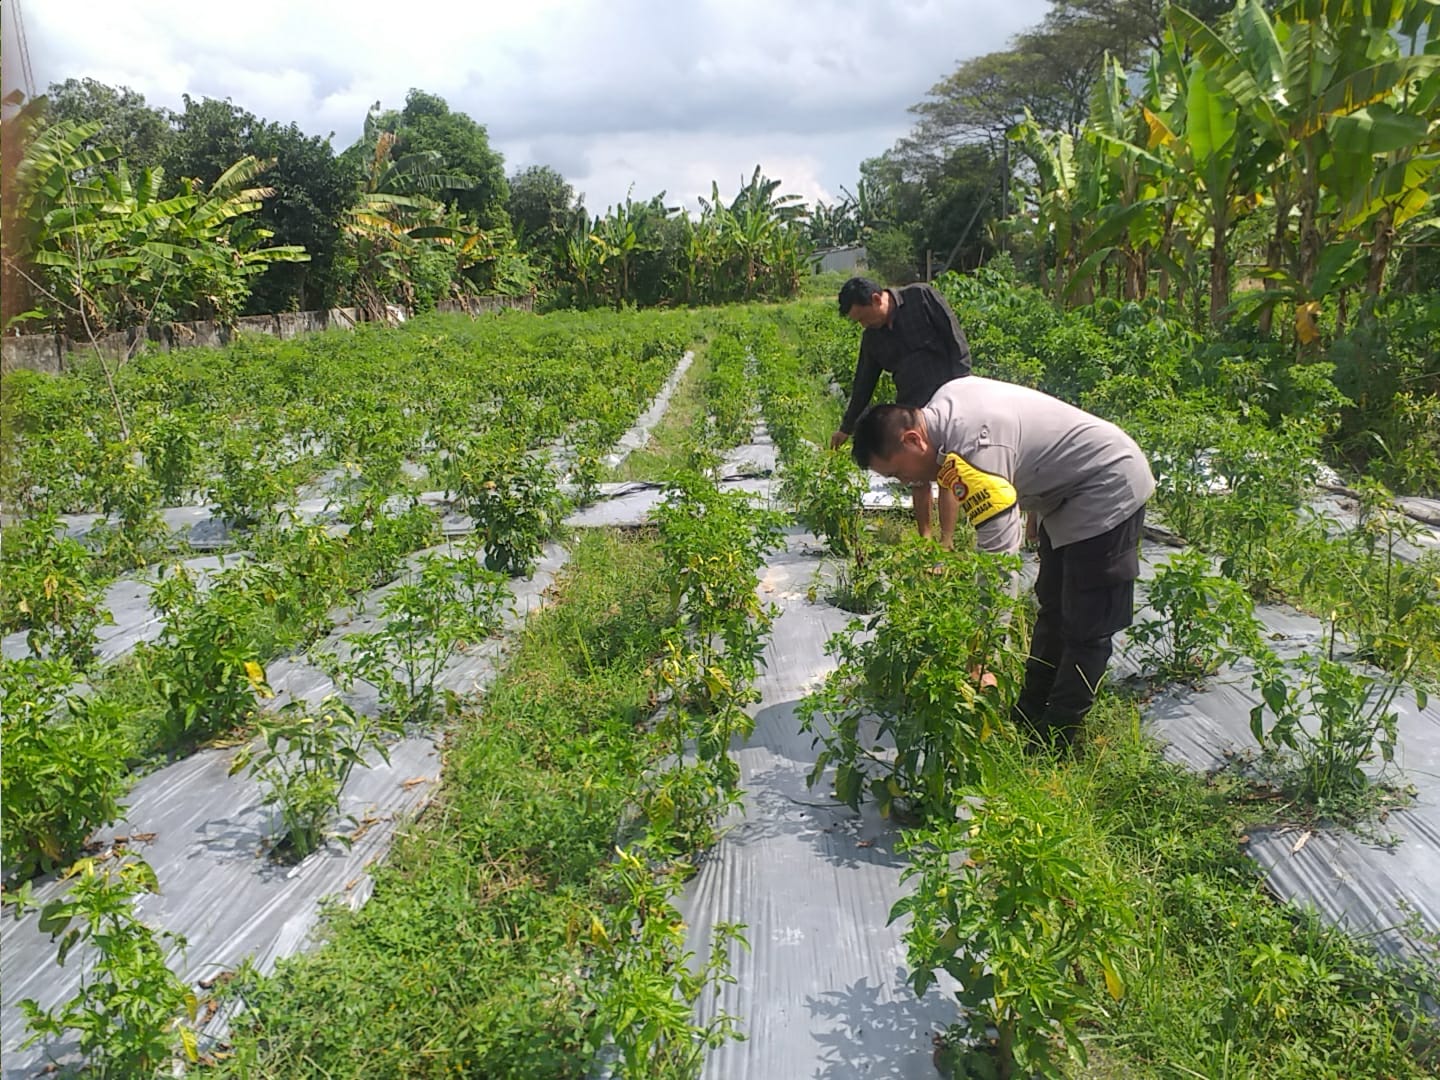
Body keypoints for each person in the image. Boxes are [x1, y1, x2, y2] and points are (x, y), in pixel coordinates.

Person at [849, 376, 1156, 749]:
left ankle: (1054, 742)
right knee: (1054, 606)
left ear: (914, 440)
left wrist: (984, 659)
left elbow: (998, 562)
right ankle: (1027, 715)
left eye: (898, 472)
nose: (906, 481)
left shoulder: (977, 448)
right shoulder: (942, 409)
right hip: (1063, 494)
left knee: (1086, 621)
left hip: (1107, 484)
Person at [832, 276, 973, 546]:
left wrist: (964, 390)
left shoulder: (921, 298)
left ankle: (947, 541)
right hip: (911, 407)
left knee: (948, 468)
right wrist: (846, 427)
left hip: (949, 401)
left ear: (876, 299)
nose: (863, 325)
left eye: (863, 317)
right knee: (917, 474)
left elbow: (956, 341)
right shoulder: (872, 338)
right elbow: (864, 383)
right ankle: (925, 538)